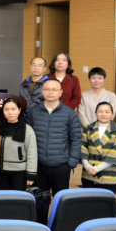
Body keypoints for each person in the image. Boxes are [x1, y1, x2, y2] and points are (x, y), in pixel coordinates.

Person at [26, 79, 82, 222]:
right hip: (39, 166)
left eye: (54, 89)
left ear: (60, 92)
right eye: (47, 89)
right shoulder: (33, 112)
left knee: (61, 203)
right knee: (40, 203)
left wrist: (71, 163)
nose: (50, 92)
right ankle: (40, 230)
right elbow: (27, 139)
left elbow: (76, 139)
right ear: (42, 91)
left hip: (61, 166)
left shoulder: (70, 114)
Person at [0, 98, 38, 192]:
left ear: (19, 110)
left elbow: (32, 153)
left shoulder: (27, 130)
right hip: (1, 172)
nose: (10, 112)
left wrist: (31, 174)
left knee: (18, 198)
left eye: (13, 109)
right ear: (3, 111)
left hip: (19, 174)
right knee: (2, 197)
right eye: (6, 109)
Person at [81, 102, 116, 194]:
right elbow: (82, 147)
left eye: (107, 112)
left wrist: (97, 168)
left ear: (112, 114)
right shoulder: (88, 128)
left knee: (106, 202)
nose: (103, 114)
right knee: (88, 201)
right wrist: (87, 166)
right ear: (95, 113)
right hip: (88, 174)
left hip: (108, 176)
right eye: (100, 111)